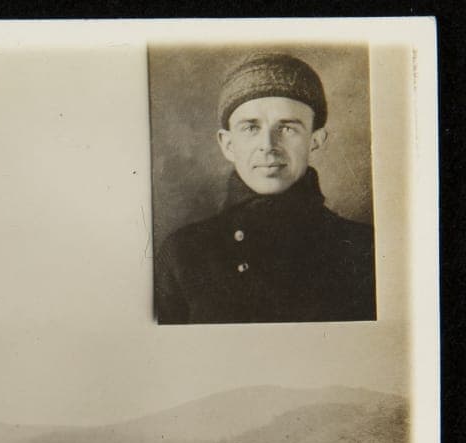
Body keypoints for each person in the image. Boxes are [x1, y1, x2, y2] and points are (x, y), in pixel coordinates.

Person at [154, 52, 376, 325]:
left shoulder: (364, 248)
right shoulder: (182, 253)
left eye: (286, 128)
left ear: (315, 140)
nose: (268, 145)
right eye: (250, 128)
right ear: (228, 144)